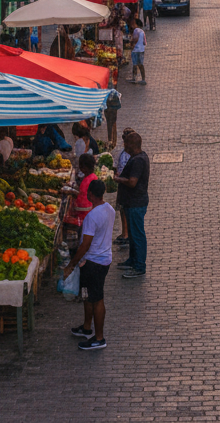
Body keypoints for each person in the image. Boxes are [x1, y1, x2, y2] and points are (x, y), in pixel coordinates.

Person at [64, 178, 114, 350]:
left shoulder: (91, 217)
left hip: (94, 263)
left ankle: (99, 338)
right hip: (101, 260)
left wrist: (71, 264)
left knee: (97, 299)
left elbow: (85, 244)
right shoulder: (109, 209)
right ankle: (86, 328)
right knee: (87, 295)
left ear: (90, 194)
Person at [114, 131, 150, 278]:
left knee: (137, 234)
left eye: (126, 144)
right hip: (132, 203)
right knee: (134, 236)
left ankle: (139, 265)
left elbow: (132, 182)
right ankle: (132, 260)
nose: (124, 146)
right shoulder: (139, 157)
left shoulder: (138, 161)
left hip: (136, 203)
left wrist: (117, 179)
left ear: (131, 145)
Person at [114, 129, 134, 246]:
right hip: (122, 185)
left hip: (127, 186)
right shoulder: (122, 152)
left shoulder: (133, 155)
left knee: (126, 210)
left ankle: (127, 234)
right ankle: (124, 232)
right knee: (122, 209)